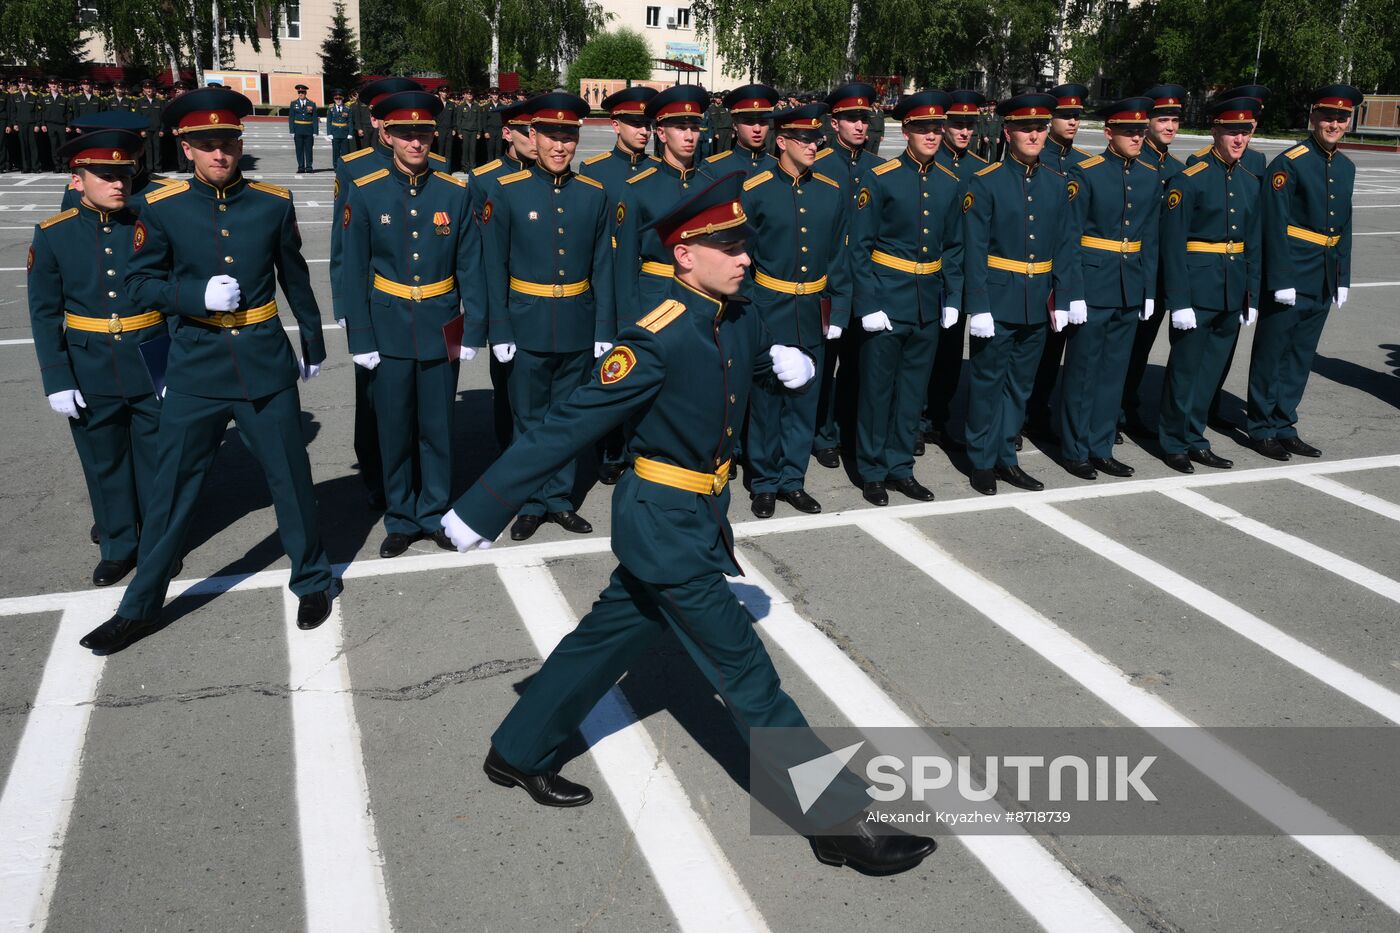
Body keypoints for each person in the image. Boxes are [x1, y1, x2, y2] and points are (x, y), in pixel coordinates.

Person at [440, 173, 935, 876]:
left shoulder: (735, 313)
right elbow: (565, 426)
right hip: (664, 524)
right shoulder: (654, 338)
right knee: (749, 675)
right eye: (726, 247)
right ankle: (839, 820)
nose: (744, 258)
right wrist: (482, 505)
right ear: (683, 256)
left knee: (606, 639)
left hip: (695, 515)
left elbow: (740, 359)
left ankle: (516, 750)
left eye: (744, 245)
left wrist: (778, 364)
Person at [80, 86, 334, 652]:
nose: (219, 154)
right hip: (195, 367)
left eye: (227, 143)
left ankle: (312, 580)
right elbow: (139, 284)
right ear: (185, 148)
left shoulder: (272, 201)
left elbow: (295, 276)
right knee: (171, 492)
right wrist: (194, 294)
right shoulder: (161, 208)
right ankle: (141, 605)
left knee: (291, 481)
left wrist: (312, 341)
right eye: (206, 144)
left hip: (263, 364)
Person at [28, 129, 166, 588]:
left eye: (124, 174)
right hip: (89, 363)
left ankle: (157, 544)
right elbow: (45, 313)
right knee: (103, 459)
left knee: (156, 457)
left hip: (151, 356)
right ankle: (118, 544)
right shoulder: (54, 235)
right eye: (105, 176)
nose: (118, 184)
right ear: (78, 178)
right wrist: (56, 377)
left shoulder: (153, 223)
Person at [342, 88, 476, 558]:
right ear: (386, 134)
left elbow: (470, 262)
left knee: (437, 428)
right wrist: (359, 334)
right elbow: (351, 267)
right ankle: (400, 516)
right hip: (389, 325)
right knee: (394, 428)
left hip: (441, 324)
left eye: (422, 133)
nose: (416, 143)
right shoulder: (367, 191)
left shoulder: (454, 191)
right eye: (405, 134)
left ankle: (434, 511)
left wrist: (473, 325)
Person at [477, 92, 613, 541]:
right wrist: (498, 327)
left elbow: (602, 266)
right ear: (532, 137)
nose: (560, 147)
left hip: (577, 318)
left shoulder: (594, 194)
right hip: (526, 321)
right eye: (551, 137)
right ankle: (530, 501)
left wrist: (604, 329)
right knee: (528, 419)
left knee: (568, 418)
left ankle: (558, 499)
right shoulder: (508, 190)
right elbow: (492, 267)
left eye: (568, 138)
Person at [962, 92, 1083, 496]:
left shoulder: (1057, 183)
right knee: (987, 381)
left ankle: (1006, 457)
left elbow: (1066, 246)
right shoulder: (986, 182)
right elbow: (975, 249)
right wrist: (977, 306)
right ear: (1009, 131)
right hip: (997, 299)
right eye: (1026, 128)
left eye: (1040, 128)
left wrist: (1063, 299)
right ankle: (980, 459)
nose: (1034, 135)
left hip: (1038, 300)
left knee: (1020, 385)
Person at [849, 90, 963, 507]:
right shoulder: (880, 178)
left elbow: (953, 246)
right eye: (923, 128)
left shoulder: (950, 182)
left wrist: (952, 297)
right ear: (906, 130)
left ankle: (900, 467)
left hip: (927, 301)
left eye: (937, 128)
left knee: (913, 392)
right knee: (877, 392)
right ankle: (872, 470)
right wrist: (869, 303)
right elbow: (858, 248)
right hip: (887, 298)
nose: (932, 135)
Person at [741, 102, 850, 517]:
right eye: (804, 138)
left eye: (816, 138)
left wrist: (838, 311)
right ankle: (765, 482)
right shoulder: (755, 190)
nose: (813, 144)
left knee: (805, 400)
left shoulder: (831, 191)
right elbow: (742, 261)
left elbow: (841, 257)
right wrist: (750, 315)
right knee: (767, 401)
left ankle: (793, 480)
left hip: (813, 310)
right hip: (770, 307)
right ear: (781, 141)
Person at [1245, 85, 1361, 460]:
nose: (1334, 124)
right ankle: (1261, 426)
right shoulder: (1290, 162)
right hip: (1292, 273)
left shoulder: (1346, 167)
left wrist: (1342, 277)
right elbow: (1272, 225)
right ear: (1312, 117)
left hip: (1323, 275)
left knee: (1300, 355)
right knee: (1272, 352)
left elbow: (1344, 224)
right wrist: (1279, 279)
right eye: (1327, 116)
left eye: (1341, 118)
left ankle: (1284, 422)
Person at [330, 78, 429, 512]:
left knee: (421, 405)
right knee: (373, 401)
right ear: (377, 122)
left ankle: (421, 478)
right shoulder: (353, 168)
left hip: (423, 304)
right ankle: (376, 475)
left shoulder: (433, 163)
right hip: (376, 303)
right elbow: (342, 245)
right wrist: (346, 308)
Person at [1157, 97, 1263, 474]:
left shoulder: (1251, 183)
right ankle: (1172, 440)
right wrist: (1179, 300)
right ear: (1215, 131)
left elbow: (1253, 244)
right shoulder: (1189, 179)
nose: (1239, 139)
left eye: (1245, 132)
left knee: (1211, 372)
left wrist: (1250, 293)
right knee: (1185, 370)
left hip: (1231, 288)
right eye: (1232, 131)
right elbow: (1172, 244)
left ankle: (1194, 436)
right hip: (1198, 289)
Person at [1057, 98, 1161, 481]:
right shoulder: (1086, 174)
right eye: (1128, 131)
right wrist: (1073, 292)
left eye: (1140, 131)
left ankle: (1100, 447)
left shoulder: (1150, 176)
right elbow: (1069, 238)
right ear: (1108, 133)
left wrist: (1148, 289)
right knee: (1083, 371)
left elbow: (1149, 236)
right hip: (1092, 283)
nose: (1137, 137)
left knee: (1114, 372)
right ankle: (1074, 448)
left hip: (1129, 285)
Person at [579, 85, 660, 487]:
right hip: (607, 280)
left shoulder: (659, 170)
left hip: (648, 283)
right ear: (615, 125)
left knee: (647, 369)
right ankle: (610, 449)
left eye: (647, 123)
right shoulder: (594, 172)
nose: (643, 131)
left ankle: (639, 445)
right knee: (610, 368)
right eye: (633, 123)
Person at [811, 82, 884, 469]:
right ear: (833, 123)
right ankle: (822, 434)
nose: (860, 126)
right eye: (851, 119)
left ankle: (848, 429)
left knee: (860, 364)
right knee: (824, 365)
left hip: (867, 282)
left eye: (864, 119)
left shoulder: (878, 168)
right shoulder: (818, 165)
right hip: (829, 281)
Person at [921, 89, 988, 453]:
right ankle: (916, 419)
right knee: (925, 350)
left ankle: (940, 417)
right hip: (931, 269)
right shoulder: (933, 164)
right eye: (958, 125)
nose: (964, 132)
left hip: (962, 271)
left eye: (969, 126)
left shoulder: (979, 168)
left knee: (950, 352)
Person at [471, 97, 540, 453]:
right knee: (507, 382)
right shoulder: (485, 180)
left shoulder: (554, 177)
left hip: (542, 295)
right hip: (505, 296)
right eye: (528, 132)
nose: (535, 139)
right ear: (508, 133)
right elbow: (479, 250)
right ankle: (506, 449)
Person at [1023, 83, 1091, 441]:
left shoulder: (1082, 163)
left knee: (1058, 346)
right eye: (1065, 115)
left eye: (1077, 116)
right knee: (1035, 351)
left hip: (1071, 266)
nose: (1072, 122)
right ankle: (1022, 414)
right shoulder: (1038, 158)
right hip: (1038, 268)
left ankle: (1040, 409)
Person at [1120, 83, 1187, 437]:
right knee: (1121, 349)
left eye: (1175, 120)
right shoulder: (1133, 162)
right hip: (1130, 271)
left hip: (1163, 273)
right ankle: (1112, 410)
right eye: (1163, 119)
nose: (1170, 127)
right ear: (1147, 123)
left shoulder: (1178, 168)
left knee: (1142, 345)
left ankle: (1127, 405)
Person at [613, 84, 711, 315]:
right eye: (680, 127)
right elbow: (625, 267)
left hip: (704, 298)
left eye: (695, 127)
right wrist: (629, 327)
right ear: (661, 133)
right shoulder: (638, 189)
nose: (689, 136)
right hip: (655, 301)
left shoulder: (710, 185)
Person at [702, 84, 779, 178]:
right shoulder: (713, 169)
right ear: (735, 125)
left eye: (763, 122)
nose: (757, 129)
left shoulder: (778, 168)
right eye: (749, 122)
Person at [41, 77, 70, 172]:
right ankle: (57, 166)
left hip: (62, 125)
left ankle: (65, 165)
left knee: (64, 146)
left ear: (58, 85)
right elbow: (42, 112)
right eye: (51, 84)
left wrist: (68, 126)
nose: (53, 85)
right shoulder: (45, 98)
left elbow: (68, 114)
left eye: (55, 84)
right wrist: (43, 124)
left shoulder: (64, 98)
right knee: (54, 146)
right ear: (49, 85)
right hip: (50, 125)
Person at [135, 79, 164, 173]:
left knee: (157, 149)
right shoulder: (140, 102)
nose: (149, 90)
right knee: (148, 149)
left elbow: (163, 117)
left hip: (157, 129)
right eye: (147, 88)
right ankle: (149, 168)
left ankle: (157, 167)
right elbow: (138, 118)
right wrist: (141, 130)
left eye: (150, 88)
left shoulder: (159, 102)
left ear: (154, 89)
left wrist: (162, 129)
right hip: (146, 130)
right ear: (143, 90)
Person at [288, 83, 318, 172]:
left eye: (302, 92)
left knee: (309, 149)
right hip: (298, 130)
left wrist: (315, 131)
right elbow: (291, 118)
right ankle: (300, 167)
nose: (301, 94)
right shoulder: (293, 103)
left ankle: (309, 167)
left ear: (305, 93)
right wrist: (292, 131)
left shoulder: (312, 104)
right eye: (299, 92)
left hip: (309, 130)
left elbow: (314, 118)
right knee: (299, 150)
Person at [326, 89, 351, 165]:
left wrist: (350, 133)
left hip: (344, 133)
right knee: (336, 152)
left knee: (345, 152)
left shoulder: (347, 108)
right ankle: (336, 166)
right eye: (336, 99)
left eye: (340, 98)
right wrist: (329, 133)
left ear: (343, 99)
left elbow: (350, 121)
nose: (338, 100)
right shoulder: (331, 108)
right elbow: (329, 121)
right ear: (334, 99)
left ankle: (344, 167)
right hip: (335, 133)